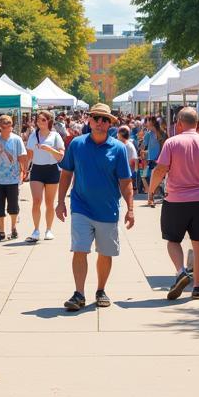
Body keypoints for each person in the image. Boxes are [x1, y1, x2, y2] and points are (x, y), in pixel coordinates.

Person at [56, 104, 134, 311]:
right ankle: (79, 293)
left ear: (110, 124)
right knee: (79, 249)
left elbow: (125, 181)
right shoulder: (77, 144)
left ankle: (101, 290)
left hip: (107, 210)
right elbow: (66, 174)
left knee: (105, 253)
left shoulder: (118, 148)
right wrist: (60, 201)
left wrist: (131, 208)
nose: (100, 122)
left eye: (104, 119)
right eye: (96, 118)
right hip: (80, 206)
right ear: (89, 120)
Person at [148, 107, 199, 302]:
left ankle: (181, 271)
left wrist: (151, 190)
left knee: (173, 240)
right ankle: (197, 286)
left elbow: (160, 169)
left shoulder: (172, 142)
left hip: (176, 200)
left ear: (179, 123)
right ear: (197, 123)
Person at [25, 109, 65, 243]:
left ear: (49, 121)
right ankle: (36, 230)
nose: (39, 122)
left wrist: (49, 149)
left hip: (52, 169)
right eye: (38, 119)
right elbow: (29, 154)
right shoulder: (33, 135)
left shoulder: (55, 136)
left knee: (49, 203)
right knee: (36, 201)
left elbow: (60, 156)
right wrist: (25, 168)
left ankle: (49, 229)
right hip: (37, 169)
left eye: (43, 119)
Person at [0, 115, 28, 241]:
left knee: (13, 205)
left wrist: (24, 170)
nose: (8, 129)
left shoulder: (16, 139)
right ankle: (1, 231)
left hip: (13, 178)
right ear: (0, 127)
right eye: (5, 126)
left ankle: (14, 228)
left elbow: (22, 156)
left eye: (9, 126)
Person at [142, 116, 165, 207]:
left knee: (159, 180)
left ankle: (154, 197)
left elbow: (164, 145)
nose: (146, 124)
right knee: (152, 179)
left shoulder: (162, 133)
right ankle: (150, 199)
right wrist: (142, 154)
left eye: (147, 122)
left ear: (152, 123)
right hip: (152, 159)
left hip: (161, 159)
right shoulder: (148, 134)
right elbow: (143, 146)